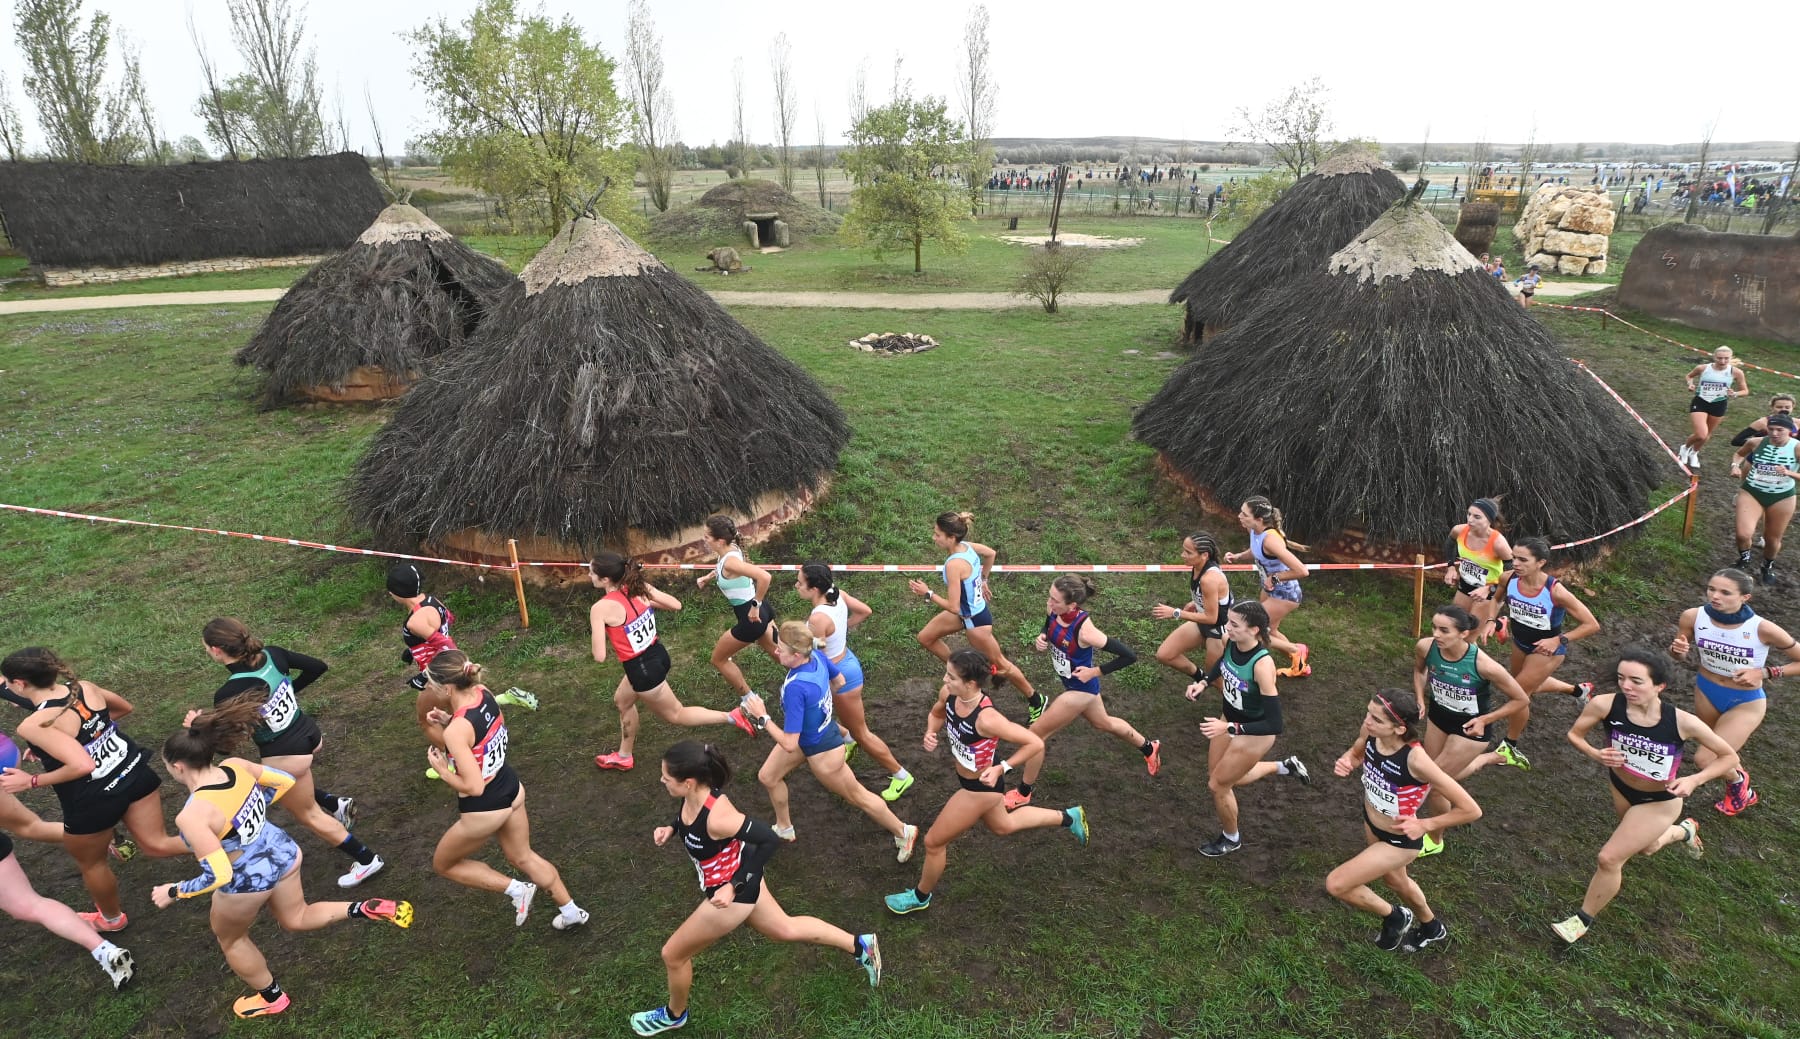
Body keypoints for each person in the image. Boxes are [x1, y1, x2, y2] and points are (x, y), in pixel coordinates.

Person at [151, 699, 412, 1018]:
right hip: (283, 853)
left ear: (177, 766)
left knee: (231, 940)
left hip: (249, 880)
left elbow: (218, 874)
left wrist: (173, 891)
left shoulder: (193, 816)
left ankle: (271, 998)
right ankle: (362, 908)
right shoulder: (236, 766)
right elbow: (285, 781)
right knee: (296, 916)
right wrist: (256, 806)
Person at [634, 741, 880, 1036]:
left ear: (688, 783)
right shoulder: (694, 796)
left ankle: (675, 1015)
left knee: (672, 955)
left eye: (666, 778)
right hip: (741, 878)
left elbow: (769, 840)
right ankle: (861, 945)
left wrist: (733, 887)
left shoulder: (719, 816)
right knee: (784, 929)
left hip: (732, 895)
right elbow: (688, 818)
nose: (661, 781)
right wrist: (672, 828)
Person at [1553, 647, 1737, 944]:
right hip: (1621, 787)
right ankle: (1683, 832)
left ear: (1659, 686)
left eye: (1636, 681)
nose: (1626, 686)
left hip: (1660, 801)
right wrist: (1596, 754)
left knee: (1609, 858)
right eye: (1622, 678)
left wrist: (1694, 779)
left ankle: (1581, 920)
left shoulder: (1682, 722)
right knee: (1646, 848)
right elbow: (1575, 734)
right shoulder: (1605, 705)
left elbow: (1728, 757)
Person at [883, 649, 1088, 915]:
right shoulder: (950, 695)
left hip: (980, 789)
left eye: (951, 677)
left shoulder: (988, 718)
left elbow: (1035, 742)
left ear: (971, 684)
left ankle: (921, 896)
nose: (945, 680)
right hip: (973, 783)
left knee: (933, 842)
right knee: (1004, 825)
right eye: (946, 673)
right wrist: (931, 732)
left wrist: (1002, 768)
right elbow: (936, 713)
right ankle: (1069, 817)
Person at [0, 647, 187, 931]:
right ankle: (229, 843)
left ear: (20, 684)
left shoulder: (33, 724)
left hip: (93, 802)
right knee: (157, 844)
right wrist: (60, 746)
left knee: (93, 865)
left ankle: (111, 920)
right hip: (134, 774)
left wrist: (31, 781)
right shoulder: (83, 688)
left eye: (9, 683)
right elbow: (123, 708)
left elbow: (83, 766)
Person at [201, 618, 383, 887]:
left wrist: (198, 725)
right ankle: (336, 804)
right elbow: (317, 667)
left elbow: (225, 745)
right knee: (282, 787)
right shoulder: (273, 654)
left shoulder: (230, 691)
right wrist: (286, 690)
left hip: (286, 754)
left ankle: (367, 860)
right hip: (309, 733)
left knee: (306, 813)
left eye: (206, 647)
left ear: (217, 650)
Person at [421, 651, 590, 929]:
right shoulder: (484, 693)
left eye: (431, 683)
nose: (429, 688)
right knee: (523, 856)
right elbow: (479, 733)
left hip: (484, 807)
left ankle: (516, 890)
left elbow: (473, 786)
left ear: (448, 688)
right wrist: (449, 721)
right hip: (510, 787)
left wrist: (442, 771)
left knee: (445, 864)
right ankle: (571, 912)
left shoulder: (456, 732)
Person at [739, 623, 918, 858]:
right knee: (768, 776)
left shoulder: (796, 688)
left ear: (796, 655)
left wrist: (762, 717)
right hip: (809, 735)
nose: (775, 652)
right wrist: (818, 710)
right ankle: (784, 828)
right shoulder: (817, 657)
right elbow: (840, 681)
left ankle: (903, 831)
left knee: (859, 796)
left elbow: (789, 744)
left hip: (822, 751)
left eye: (781, 649)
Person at [1327, 692, 1481, 953]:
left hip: (1400, 839)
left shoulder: (1416, 760)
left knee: (1337, 884)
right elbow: (1355, 754)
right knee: (1397, 882)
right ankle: (1432, 927)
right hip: (1372, 823)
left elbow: (1471, 810)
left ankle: (1395, 916)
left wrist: (1425, 825)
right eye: (1368, 713)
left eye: (1376, 719)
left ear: (1399, 728)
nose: (1367, 721)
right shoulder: (1372, 733)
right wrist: (1348, 762)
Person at [589, 551, 757, 771]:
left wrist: (601, 627)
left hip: (642, 669)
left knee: (676, 713)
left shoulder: (600, 608)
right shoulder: (640, 588)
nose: (588, 575)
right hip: (658, 655)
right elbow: (675, 605)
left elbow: (599, 656)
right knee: (622, 701)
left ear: (604, 579)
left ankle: (734, 716)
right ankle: (624, 755)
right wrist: (644, 607)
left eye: (591, 572)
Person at [1006, 575, 1156, 810]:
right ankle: (1149, 746)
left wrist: (1095, 671)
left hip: (1080, 690)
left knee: (1035, 736)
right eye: (1050, 597)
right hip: (1072, 684)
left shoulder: (1086, 632)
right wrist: (1043, 636)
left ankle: (1024, 792)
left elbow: (1129, 656)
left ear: (1072, 605)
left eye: (1055, 600)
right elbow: (1049, 624)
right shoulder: (1055, 609)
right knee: (1103, 723)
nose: (1050, 603)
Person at [0, 731, 135, 990]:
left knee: (25, 905)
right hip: (4, 752)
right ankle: (105, 951)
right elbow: (31, 827)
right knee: (31, 902)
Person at [1668, 568, 1800, 815]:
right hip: (1706, 691)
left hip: (1745, 701)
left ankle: (1739, 783)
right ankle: (1739, 782)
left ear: (1745, 597)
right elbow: (1680, 654)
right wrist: (1678, 651)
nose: (1715, 596)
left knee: (1705, 759)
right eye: (1711, 589)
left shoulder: (1763, 628)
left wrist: (1765, 673)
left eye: (1725, 592)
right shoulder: (1692, 617)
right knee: (1719, 751)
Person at [1185, 601, 1310, 857]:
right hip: (1228, 720)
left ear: (1254, 630)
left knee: (1218, 785)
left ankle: (1231, 838)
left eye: (1234, 624)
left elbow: (1275, 724)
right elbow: (1223, 662)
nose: (1227, 627)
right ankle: (1284, 766)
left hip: (1255, 733)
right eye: (1228, 622)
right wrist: (1204, 683)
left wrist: (1229, 727)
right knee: (1221, 777)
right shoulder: (1233, 641)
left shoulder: (1262, 667)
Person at [1410, 605, 1528, 847]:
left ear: (1463, 634)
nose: (1437, 635)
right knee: (1435, 772)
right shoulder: (1426, 646)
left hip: (1471, 729)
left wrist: (1485, 720)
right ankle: (1492, 758)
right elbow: (1419, 671)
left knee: (1435, 785)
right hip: (1438, 718)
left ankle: (1434, 840)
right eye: (1434, 628)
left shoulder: (1484, 665)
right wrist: (1420, 697)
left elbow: (1521, 700)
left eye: (1444, 630)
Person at [795, 563, 913, 801]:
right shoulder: (836, 594)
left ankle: (900, 775)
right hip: (847, 661)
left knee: (862, 733)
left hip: (840, 675)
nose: (796, 586)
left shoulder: (818, 618)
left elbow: (816, 653)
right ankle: (847, 740)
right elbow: (865, 611)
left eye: (800, 583)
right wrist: (841, 630)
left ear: (814, 588)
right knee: (837, 717)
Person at [907, 511, 1040, 717]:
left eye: (937, 535)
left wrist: (928, 593)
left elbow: (953, 607)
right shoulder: (967, 547)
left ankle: (1036, 699)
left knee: (1002, 664)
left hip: (975, 621)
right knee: (926, 637)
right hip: (966, 612)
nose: (934, 538)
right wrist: (984, 580)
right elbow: (991, 553)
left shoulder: (954, 565)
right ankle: (964, 672)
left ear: (951, 537)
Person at [1492, 539, 1602, 754]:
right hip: (1520, 642)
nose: (1515, 563)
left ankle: (1510, 746)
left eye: (1523, 559)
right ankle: (1578, 690)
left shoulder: (1555, 591)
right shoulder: (1508, 578)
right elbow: (1495, 600)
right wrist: (1491, 621)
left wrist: (1559, 640)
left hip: (1547, 650)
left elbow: (1592, 625)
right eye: (1514, 557)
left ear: (1540, 562)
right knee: (1526, 686)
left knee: (1519, 693)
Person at [694, 516, 781, 699]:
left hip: (751, 618)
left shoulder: (730, 561)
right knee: (782, 654)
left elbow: (765, 577)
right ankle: (814, 674)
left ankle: (749, 701)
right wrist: (708, 578)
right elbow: (724, 569)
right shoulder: (730, 550)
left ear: (720, 541)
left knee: (718, 659)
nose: (704, 539)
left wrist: (755, 606)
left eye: (707, 537)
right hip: (764, 613)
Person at [1224, 496, 1312, 677]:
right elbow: (1255, 550)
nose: (1239, 516)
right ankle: (1300, 665)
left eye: (1244, 514)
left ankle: (1296, 650)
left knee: (1252, 631)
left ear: (1259, 519)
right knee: (1270, 630)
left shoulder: (1271, 540)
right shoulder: (1254, 530)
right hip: (1270, 590)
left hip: (1286, 594)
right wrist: (1238, 557)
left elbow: (1302, 571)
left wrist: (1275, 578)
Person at [1151, 530, 1233, 680]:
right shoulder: (1198, 566)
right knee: (1164, 655)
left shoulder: (1209, 578)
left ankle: (1235, 702)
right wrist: (1195, 602)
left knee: (1215, 680)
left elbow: (1212, 618)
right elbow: (1213, 599)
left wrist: (1175, 612)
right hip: (1202, 621)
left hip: (1219, 630)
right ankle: (1200, 677)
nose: (1183, 555)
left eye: (1188, 552)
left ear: (1204, 555)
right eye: (1184, 550)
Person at [1729, 414, 1800, 585]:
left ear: (1790, 431)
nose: (1774, 433)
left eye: (1780, 430)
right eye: (1771, 429)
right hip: (1752, 491)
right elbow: (1739, 454)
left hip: (1782, 496)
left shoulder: (1797, 448)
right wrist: (1735, 466)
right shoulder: (1756, 442)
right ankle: (1744, 559)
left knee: (1772, 539)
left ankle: (1767, 566)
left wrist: (1789, 473)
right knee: (1743, 533)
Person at [1443, 497, 1512, 636]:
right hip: (1466, 584)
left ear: (1489, 520)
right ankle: (1499, 624)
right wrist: (1450, 567)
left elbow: (1513, 573)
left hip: (1490, 592)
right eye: (1469, 514)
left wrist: (1490, 588)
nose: (1470, 520)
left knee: (1469, 635)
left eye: (1477, 517)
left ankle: (1495, 623)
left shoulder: (1498, 543)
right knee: (1454, 625)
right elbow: (1449, 544)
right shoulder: (1459, 530)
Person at [1681, 346, 1750, 468]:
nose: (1723, 361)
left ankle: (1694, 453)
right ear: (1714, 357)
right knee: (1701, 434)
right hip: (1701, 401)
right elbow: (1689, 376)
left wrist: (1734, 394)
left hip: (1719, 403)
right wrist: (1690, 384)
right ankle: (1685, 448)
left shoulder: (1736, 372)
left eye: (1726, 359)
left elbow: (1745, 390)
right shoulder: (1703, 368)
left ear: (1730, 358)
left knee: (1707, 434)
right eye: (1719, 358)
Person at [1726, 393, 1796, 448]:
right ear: (1772, 407)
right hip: (1764, 457)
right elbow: (1737, 441)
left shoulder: (1798, 422)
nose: (1783, 409)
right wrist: (1762, 443)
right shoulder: (1762, 423)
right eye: (1779, 407)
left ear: (1793, 407)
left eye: (1787, 407)